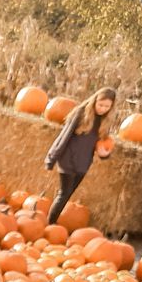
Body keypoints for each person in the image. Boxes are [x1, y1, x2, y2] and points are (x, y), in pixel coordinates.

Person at [45, 87, 117, 225]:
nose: (102, 108)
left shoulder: (105, 122)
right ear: (95, 100)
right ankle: (50, 225)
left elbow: (101, 145)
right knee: (64, 193)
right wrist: (51, 158)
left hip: (83, 163)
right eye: (100, 104)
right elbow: (64, 136)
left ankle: (52, 222)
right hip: (68, 158)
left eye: (107, 106)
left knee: (67, 193)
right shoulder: (81, 113)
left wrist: (104, 155)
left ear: (111, 107)